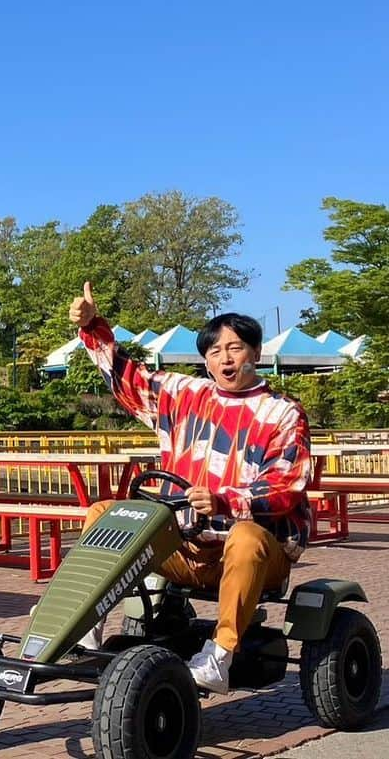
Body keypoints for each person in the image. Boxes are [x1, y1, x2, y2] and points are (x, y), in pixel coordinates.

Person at [69, 282, 312, 693]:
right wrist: (94, 327)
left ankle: (220, 653)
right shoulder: (184, 395)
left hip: (252, 553)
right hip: (182, 545)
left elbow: (287, 483)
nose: (225, 358)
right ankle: (83, 623)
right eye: (214, 351)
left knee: (247, 535)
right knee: (102, 513)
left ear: (255, 353)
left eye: (235, 348)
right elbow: (128, 377)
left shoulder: (282, 412)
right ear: (205, 360)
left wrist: (224, 500)